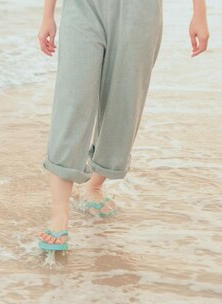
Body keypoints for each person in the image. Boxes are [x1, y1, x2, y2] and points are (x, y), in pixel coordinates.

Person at [36, 0, 209, 252]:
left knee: (123, 105)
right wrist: (47, 15)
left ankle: (94, 186)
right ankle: (59, 215)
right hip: (83, 7)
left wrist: (199, 14)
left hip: (140, 12)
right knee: (72, 101)